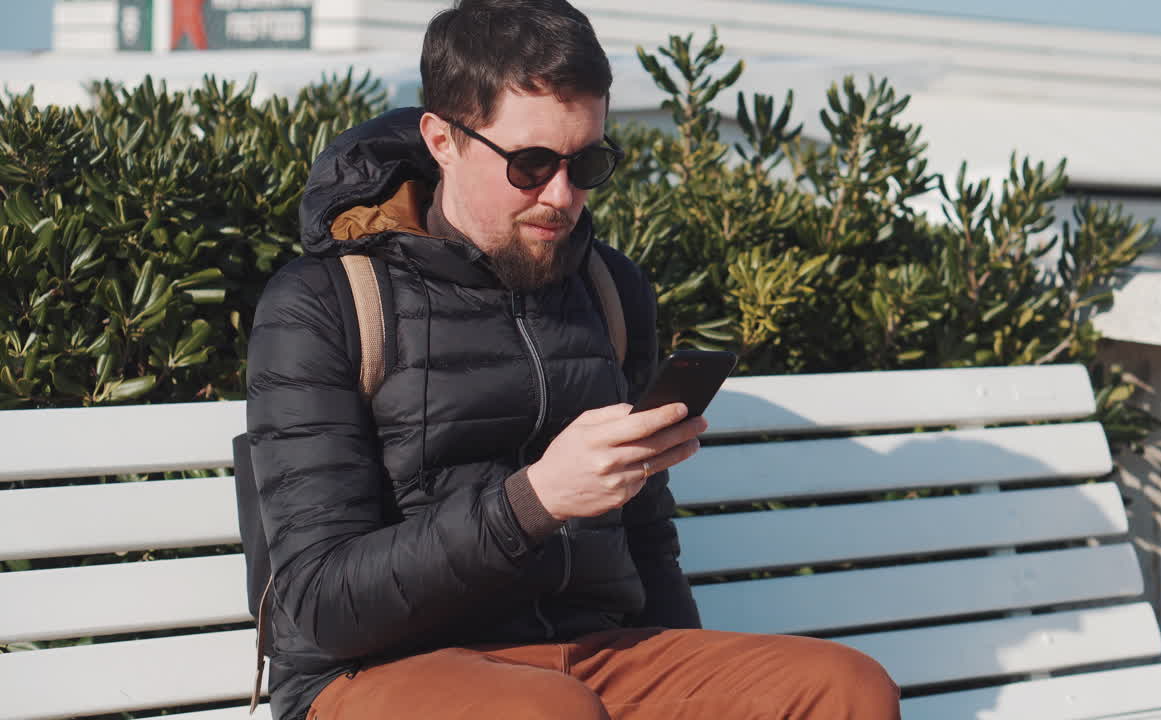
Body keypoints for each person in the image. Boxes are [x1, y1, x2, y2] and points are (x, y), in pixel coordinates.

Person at [245, 0, 901, 717]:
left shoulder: (610, 289)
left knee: (846, 690)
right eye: (529, 164)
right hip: (378, 674)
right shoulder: (325, 302)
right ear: (442, 139)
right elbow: (319, 603)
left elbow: (647, 538)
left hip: (595, 656)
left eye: (586, 161)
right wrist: (534, 501)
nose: (562, 196)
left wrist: (690, 675)